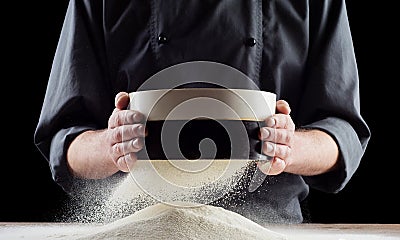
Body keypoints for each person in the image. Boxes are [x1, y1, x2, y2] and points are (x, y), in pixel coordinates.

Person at [34, 0, 370, 224]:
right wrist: (112, 145)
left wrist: (290, 146)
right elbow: (67, 144)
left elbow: (342, 132)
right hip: (136, 236)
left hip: (267, 235)